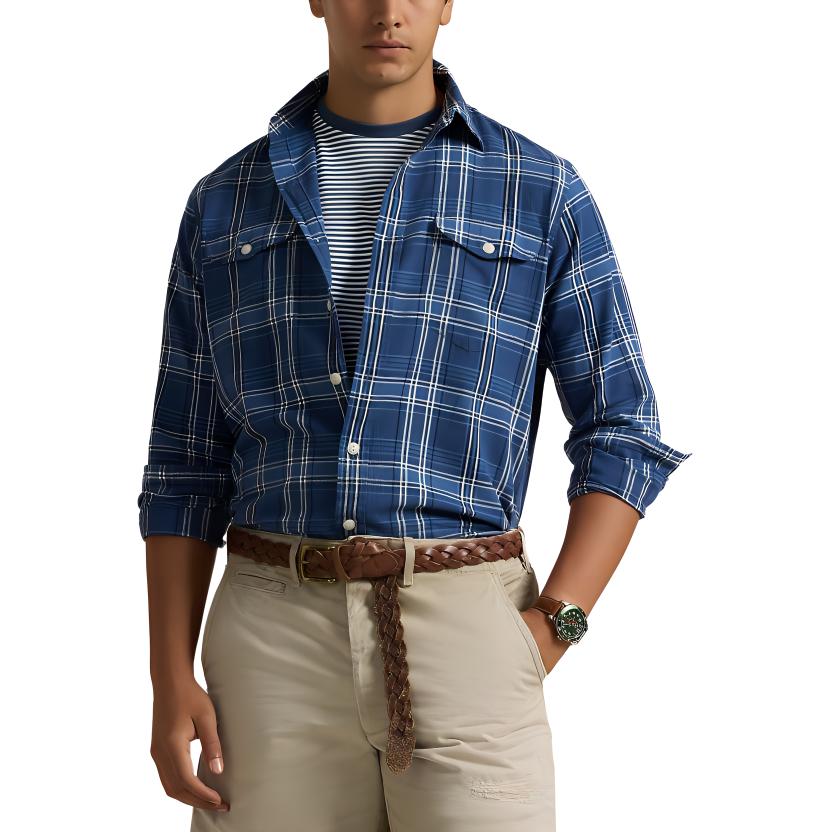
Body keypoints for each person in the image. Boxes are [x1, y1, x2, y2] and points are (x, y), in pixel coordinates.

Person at [140, 2, 691, 829]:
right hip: (268, 644)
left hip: (469, 629)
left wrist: (555, 623)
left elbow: (622, 428)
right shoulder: (226, 200)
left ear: (448, 3)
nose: (389, 11)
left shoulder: (538, 189)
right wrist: (168, 676)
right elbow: (184, 461)